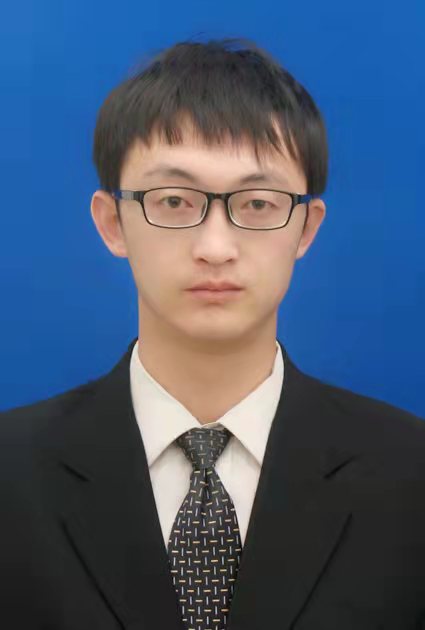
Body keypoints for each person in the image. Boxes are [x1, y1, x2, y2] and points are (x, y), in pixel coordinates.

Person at [1, 38, 424, 630]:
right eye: (174, 200)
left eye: (258, 203)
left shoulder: (410, 474)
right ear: (111, 222)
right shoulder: (11, 472)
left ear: (306, 228)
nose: (216, 247)